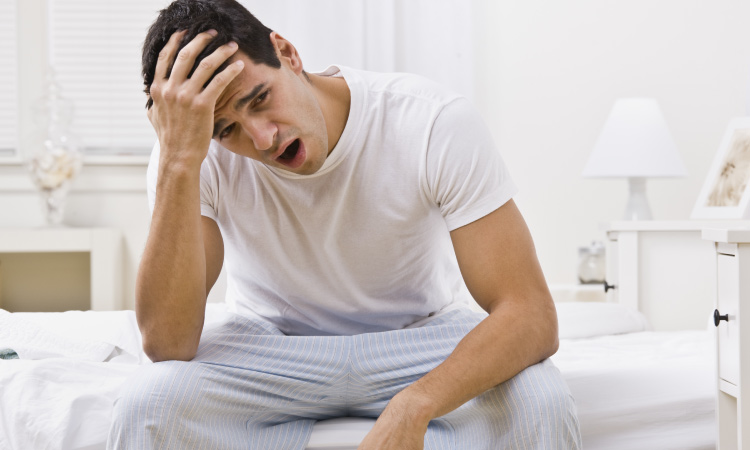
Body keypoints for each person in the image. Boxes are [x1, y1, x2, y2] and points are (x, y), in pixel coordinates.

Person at [108, 0, 581, 448]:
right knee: (148, 403)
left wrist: (416, 405)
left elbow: (531, 315)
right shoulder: (189, 155)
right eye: (226, 130)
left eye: (259, 99)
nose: (262, 137)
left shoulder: (430, 121)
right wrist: (176, 161)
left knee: (542, 399)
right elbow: (168, 343)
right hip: (273, 350)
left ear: (287, 53)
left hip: (418, 340)